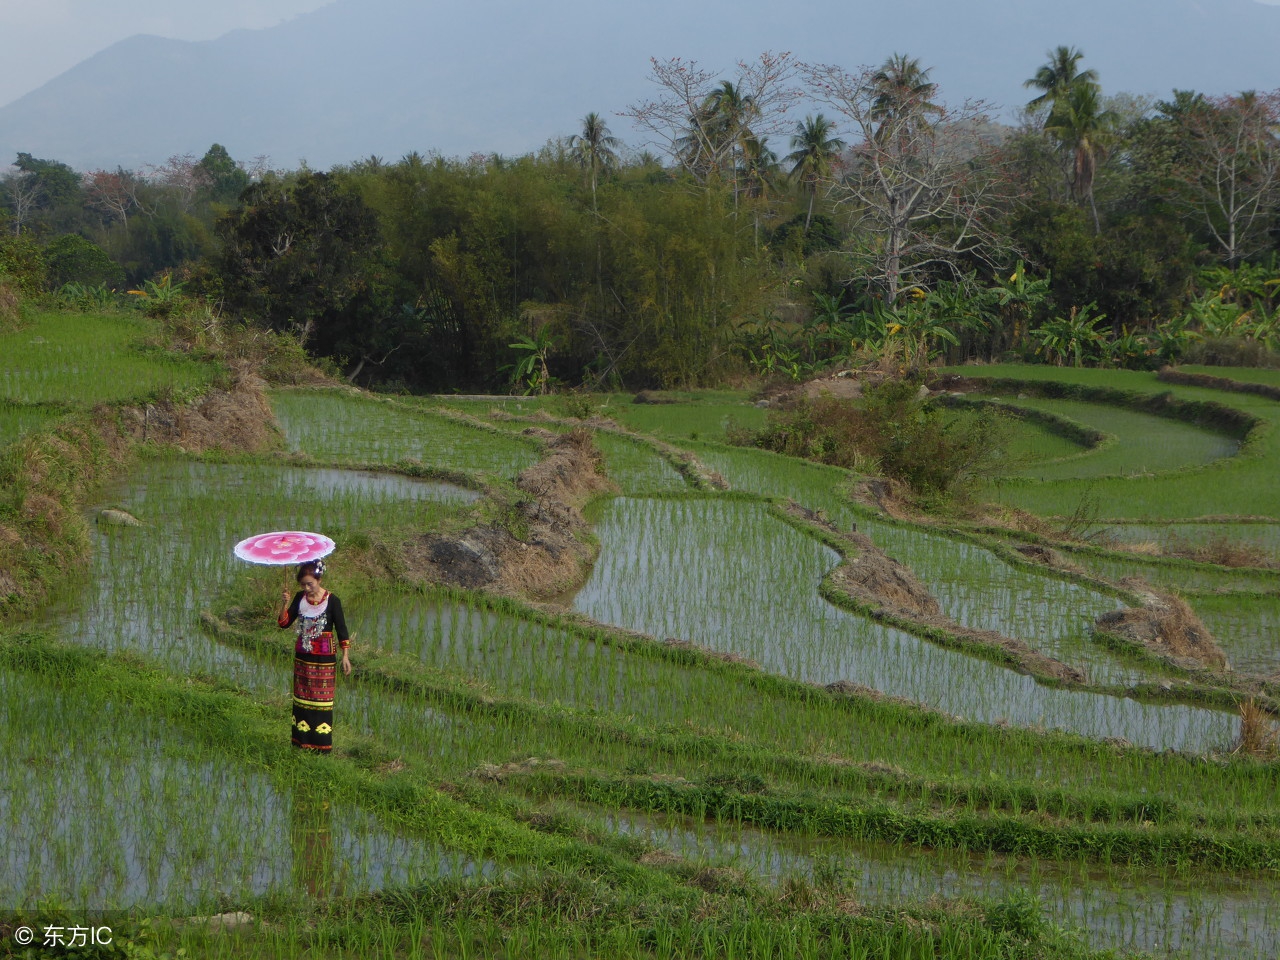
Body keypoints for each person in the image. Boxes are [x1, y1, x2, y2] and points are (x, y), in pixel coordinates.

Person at [278, 559, 351, 751]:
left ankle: (321, 745)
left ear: (319, 579)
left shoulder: (333, 601)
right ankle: (300, 741)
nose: (307, 588)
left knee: (322, 700)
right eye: (303, 585)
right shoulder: (299, 598)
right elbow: (284, 623)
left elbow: (342, 630)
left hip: (324, 660)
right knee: (302, 698)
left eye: (310, 584)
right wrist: (284, 604)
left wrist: (345, 656)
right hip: (303, 657)